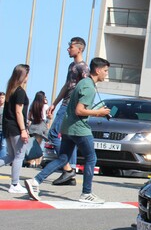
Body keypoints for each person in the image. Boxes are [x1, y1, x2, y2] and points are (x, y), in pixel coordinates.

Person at [25, 58, 111, 204]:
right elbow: (79, 110)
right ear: (98, 70)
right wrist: (99, 113)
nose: (106, 74)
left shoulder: (82, 82)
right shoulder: (89, 87)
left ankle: (35, 181)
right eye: (105, 71)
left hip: (67, 127)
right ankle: (86, 193)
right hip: (80, 129)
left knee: (63, 158)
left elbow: (78, 107)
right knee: (91, 158)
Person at [46, 37, 90, 186]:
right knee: (69, 138)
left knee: (53, 134)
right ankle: (70, 173)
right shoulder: (72, 65)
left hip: (71, 107)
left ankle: (67, 168)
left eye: (71, 47)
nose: (68, 49)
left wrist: (81, 107)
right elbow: (66, 86)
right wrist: (54, 103)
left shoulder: (83, 68)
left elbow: (86, 87)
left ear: (80, 49)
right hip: (64, 104)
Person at [0, 65, 30, 193]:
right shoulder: (20, 92)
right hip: (16, 128)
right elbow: (19, 112)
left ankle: (15, 184)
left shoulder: (10, 91)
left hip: (8, 127)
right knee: (19, 156)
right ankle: (15, 184)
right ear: (24, 76)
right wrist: (23, 130)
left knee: (11, 156)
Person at [25, 91, 50, 168]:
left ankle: (29, 161)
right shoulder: (45, 106)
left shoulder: (33, 105)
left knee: (32, 145)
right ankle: (37, 162)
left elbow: (29, 117)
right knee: (38, 146)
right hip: (41, 125)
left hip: (33, 126)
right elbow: (49, 116)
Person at [0, 91, 6, 160]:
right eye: (0, 97)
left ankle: (2, 161)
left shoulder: (6, 108)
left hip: (4, 129)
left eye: (2, 97)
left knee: (3, 145)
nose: (1, 99)